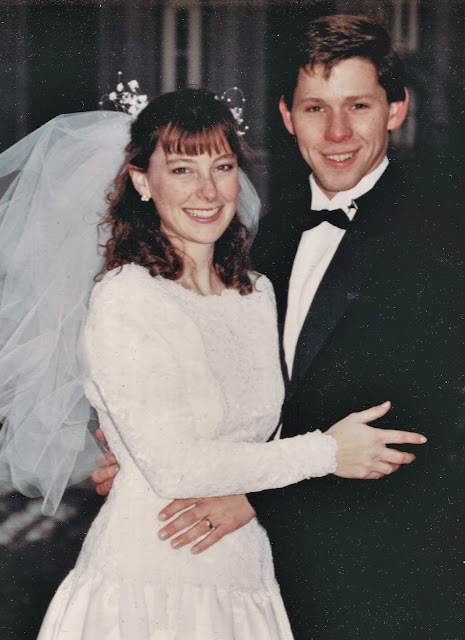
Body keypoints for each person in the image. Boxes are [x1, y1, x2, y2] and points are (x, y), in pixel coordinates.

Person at [95, 15, 465, 639]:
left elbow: (432, 426)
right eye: (316, 108)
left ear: (396, 109)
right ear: (288, 117)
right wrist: (133, 450)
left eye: (358, 106)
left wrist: (254, 497)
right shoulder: (267, 236)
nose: (337, 132)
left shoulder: (444, 232)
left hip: (385, 581)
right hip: (252, 575)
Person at [0, 87, 417, 639]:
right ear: (142, 181)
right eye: (182, 170)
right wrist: (328, 453)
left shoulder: (257, 293)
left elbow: (271, 433)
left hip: (246, 576)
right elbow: (175, 467)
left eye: (222, 167)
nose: (208, 191)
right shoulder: (127, 296)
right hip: (149, 582)